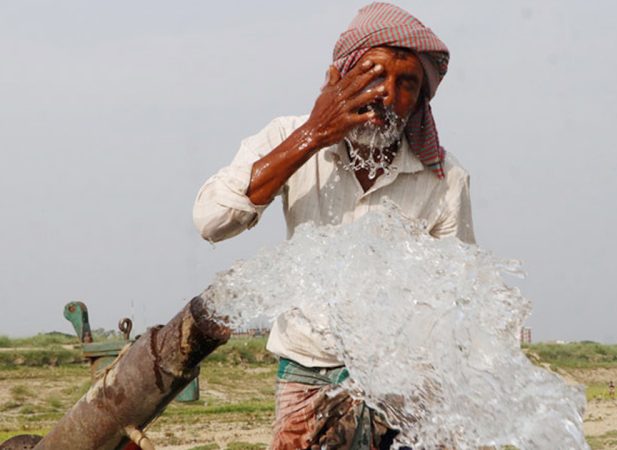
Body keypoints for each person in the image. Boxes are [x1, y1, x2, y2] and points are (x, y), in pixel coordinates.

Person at [192, 3, 475, 449]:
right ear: (339, 77)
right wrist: (312, 136)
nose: (386, 93)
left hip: (405, 389)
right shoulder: (290, 137)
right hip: (308, 377)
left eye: (407, 83)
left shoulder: (443, 179)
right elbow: (210, 220)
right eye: (372, 73)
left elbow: (457, 299)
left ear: (421, 100)